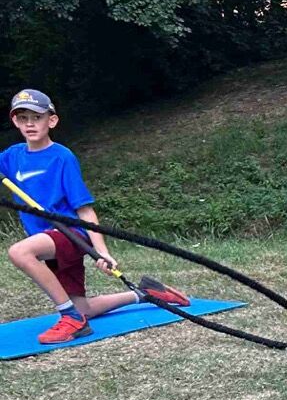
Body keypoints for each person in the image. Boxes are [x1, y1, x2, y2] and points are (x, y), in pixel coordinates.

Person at [3, 88, 188, 344]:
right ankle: (145, 293)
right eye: (23, 118)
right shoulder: (12, 156)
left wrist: (101, 251)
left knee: (20, 252)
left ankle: (71, 318)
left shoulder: (62, 157)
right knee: (84, 308)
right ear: (15, 121)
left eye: (37, 117)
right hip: (45, 240)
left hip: (70, 233)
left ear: (52, 120)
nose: (30, 124)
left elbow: (84, 209)